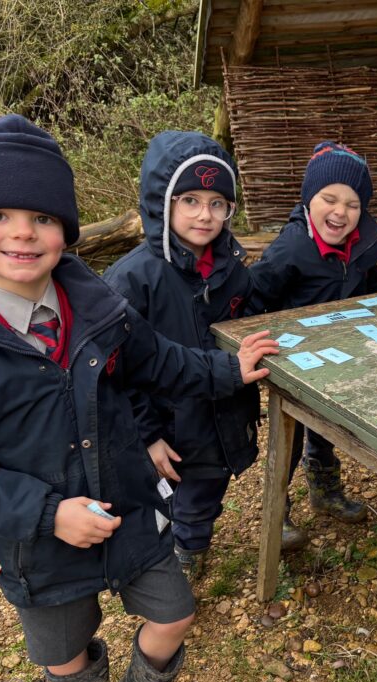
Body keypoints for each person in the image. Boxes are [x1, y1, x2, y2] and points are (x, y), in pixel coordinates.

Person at [0, 115, 279, 682]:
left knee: (174, 615)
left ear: (67, 229)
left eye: (43, 216)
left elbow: (165, 362)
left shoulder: (100, 309)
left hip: (131, 512)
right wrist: (44, 514)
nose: (23, 232)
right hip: (35, 546)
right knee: (62, 649)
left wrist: (228, 369)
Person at [104, 130, 273, 577]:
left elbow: (248, 322)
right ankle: (184, 554)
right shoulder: (132, 281)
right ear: (163, 202)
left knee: (209, 489)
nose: (206, 215)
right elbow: (114, 371)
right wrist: (147, 435)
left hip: (223, 415)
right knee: (184, 498)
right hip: (171, 427)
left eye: (218, 203)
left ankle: (191, 539)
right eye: (191, 200)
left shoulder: (232, 270)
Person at [250, 141, 377, 550]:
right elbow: (254, 301)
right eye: (329, 199)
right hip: (294, 365)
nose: (340, 212)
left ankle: (324, 487)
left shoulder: (363, 243)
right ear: (308, 198)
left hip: (340, 358)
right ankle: (277, 510)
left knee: (328, 429)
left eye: (352, 204)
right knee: (289, 439)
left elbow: (375, 292)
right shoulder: (291, 249)